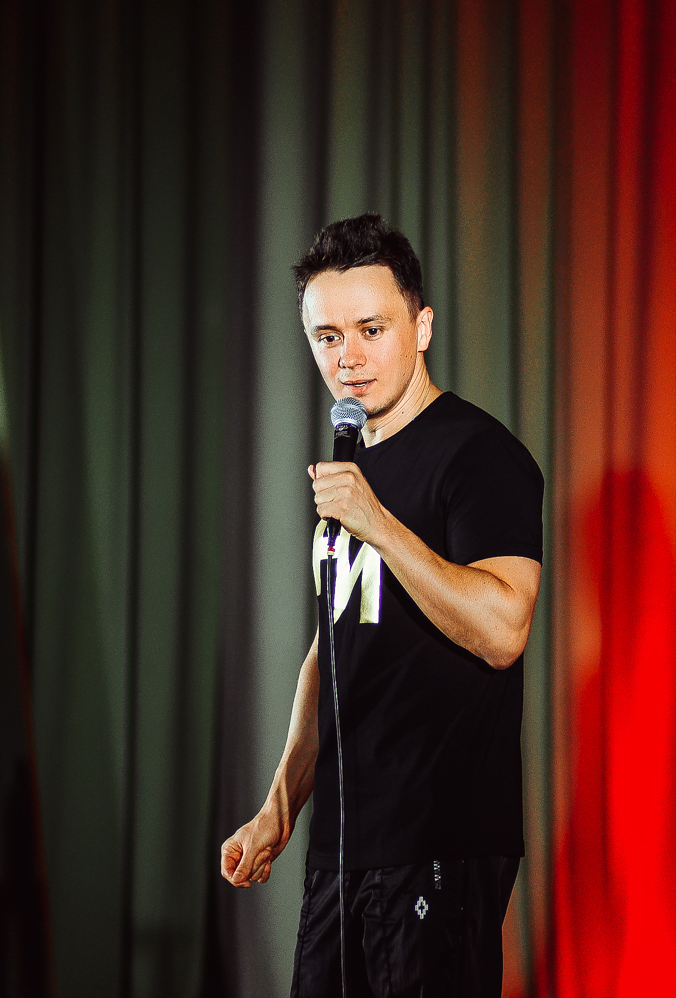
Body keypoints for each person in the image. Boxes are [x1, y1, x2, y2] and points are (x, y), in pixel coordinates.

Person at [220, 213, 543, 997]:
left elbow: (505, 628)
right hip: (342, 844)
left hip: (438, 838)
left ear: (421, 327)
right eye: (328, 336)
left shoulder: (478, 454)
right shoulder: (352, 472)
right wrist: (278, 807)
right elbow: (332, 651)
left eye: (371, 329)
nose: (349, 357)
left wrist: (379, 524)